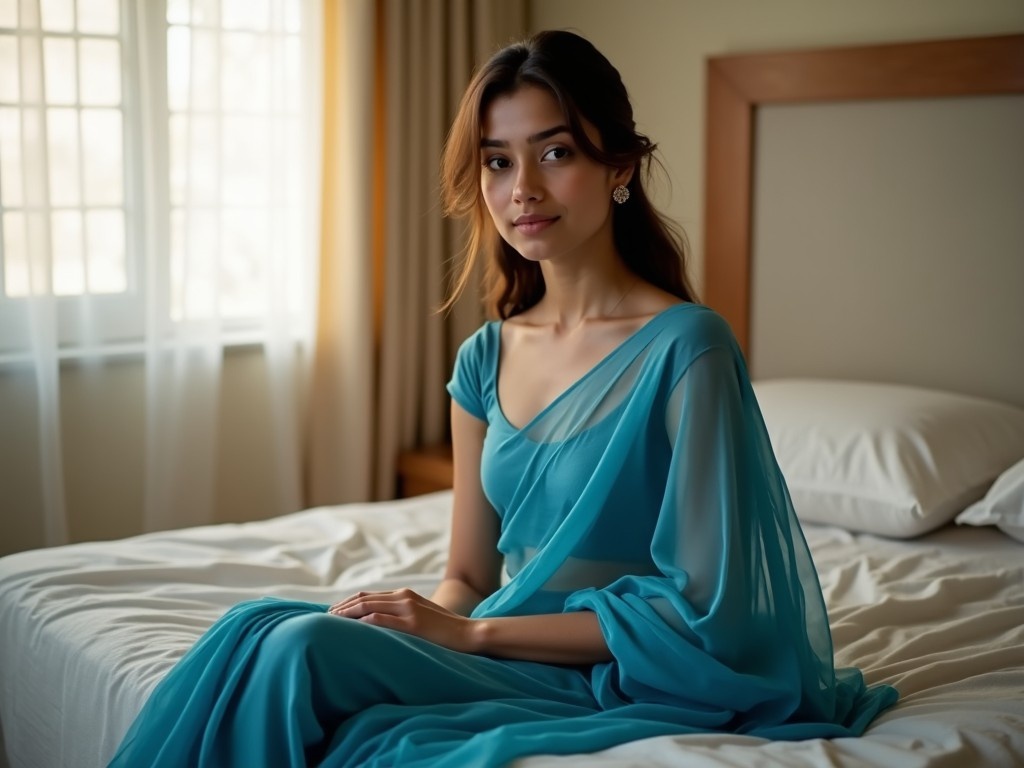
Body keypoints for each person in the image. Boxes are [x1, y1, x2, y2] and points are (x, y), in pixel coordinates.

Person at [109, 30, 897, 768]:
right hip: (492, 639)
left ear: (620, 167)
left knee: (291, 652)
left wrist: (475, 634)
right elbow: (468, 572)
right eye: (496, 162)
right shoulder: (483, 357)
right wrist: (418, 624)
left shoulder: (687, 347)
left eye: (554, 152)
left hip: (611, 668)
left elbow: (705, 613)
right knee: (273, 632)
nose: (523, 189)